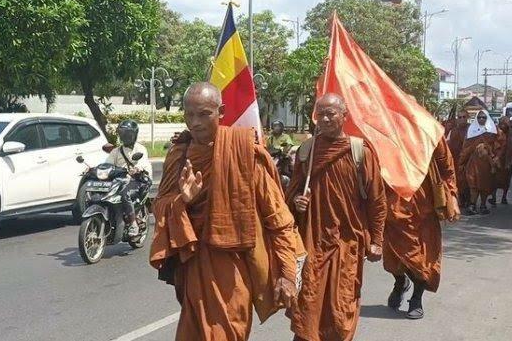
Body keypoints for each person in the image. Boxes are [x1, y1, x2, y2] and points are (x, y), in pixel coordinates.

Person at [149, 82, 302, 341]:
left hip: (233, 274)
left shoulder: (243, 153)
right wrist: (182, 202)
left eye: (204, 114)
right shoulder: (179, 154)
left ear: (221, 111)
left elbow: (278, 218)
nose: (195, 123)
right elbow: (160, 206)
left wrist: (288, 274)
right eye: (189, 115)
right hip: (193, 268)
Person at [286, 93, 387, 341]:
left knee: (341, 308)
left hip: (347, 243)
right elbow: (290, 195)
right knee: (308, 303)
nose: (325, 118)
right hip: (313, 241)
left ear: (345, 116)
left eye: (331, 113)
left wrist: (377, 240)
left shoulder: (359, 151)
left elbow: (377, 200)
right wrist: (296, 202)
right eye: (320, 113)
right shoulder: (307, 151)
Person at [383, 137, 460, 320]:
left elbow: (446, 167)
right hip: (393, 206)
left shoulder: (429, 131)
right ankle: (400, 282)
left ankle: (416, 299)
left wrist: (453, 197)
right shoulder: (385, 126)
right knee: (393, 257)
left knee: (422, 258)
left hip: (424, 207)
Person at [105, 120, 152, 237]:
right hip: (120, 180)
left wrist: (137, 169)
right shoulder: (116, 151)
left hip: (139, 180)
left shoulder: (140, 149)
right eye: (122, 133)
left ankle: (133, 224)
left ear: (134, 134)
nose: (125, 136)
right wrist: (94, 169)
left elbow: (143, 162)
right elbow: (107, 164)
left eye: (128, 133)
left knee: (124, 194)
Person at [458, 110, 500, 215]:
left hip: (486, 164)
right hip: (473, 163)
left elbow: (498, 147)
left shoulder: (493, 131)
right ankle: (472, 205)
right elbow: (465, 147)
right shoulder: (471, 131)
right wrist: (462, 162)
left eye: (483, 117)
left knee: (485, 185)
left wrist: (494, 158)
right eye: (479, 117)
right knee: (473, 184)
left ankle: (483, 205)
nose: (481, 119)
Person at [494, 116, 512, 204]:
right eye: (501, 124)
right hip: (497, 161)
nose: (502, 126)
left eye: (504, 124)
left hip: (508, 161)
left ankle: (504, 197)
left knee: (506, 181)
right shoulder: (496, 133)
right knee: (494, 180)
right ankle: (493, 198)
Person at [447, 109, 470, 208]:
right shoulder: (453, 131)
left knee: (468, 181)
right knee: (457, 181)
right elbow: (447, 143)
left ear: (467, 118)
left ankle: (468, 200)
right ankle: (459, 199)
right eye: (460, 117)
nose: (462, 119)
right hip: (455, 160)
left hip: (468, 160)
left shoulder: (471, 130)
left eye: (464, 117)